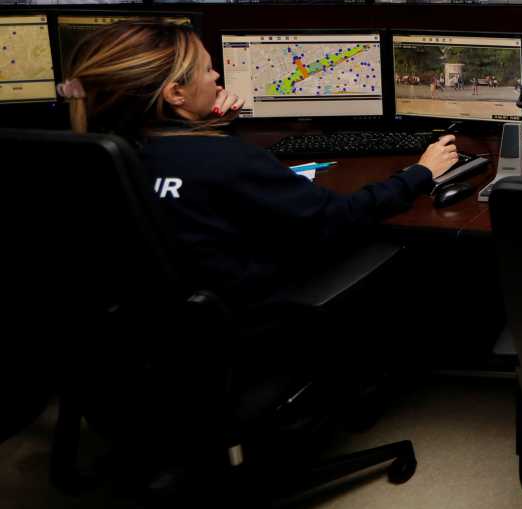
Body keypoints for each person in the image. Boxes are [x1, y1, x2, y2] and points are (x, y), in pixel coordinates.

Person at [59, 22, 459, 308]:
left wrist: (210, 124)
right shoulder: (223, 159)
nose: (217, 77)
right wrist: (419, 173)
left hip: (149, 328)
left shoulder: (96, 155)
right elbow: (339, 215)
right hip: (246, 313)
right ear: (175, 93)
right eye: (207, 68)